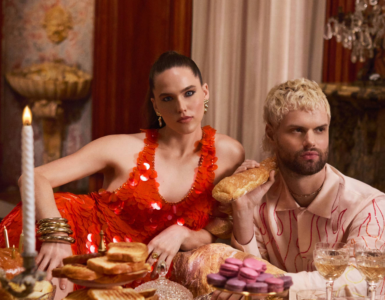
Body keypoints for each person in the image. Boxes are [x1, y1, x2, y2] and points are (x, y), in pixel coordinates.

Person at [0, 51, 244, 298]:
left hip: (137, 273)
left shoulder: (229, 154)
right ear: (156, 105)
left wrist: (181, 232)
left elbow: (216, 230)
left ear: (205, 92)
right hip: (73, 243)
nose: (181, 107)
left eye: (189, 93)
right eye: (168, 98)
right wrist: (56, 237)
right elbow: (34, 177)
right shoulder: (124, 148)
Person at [212, 78, 385, 300]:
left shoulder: (369, 205)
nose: (311, 141)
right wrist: (243, 213)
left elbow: (360, 282)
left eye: (320, 129)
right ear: (271, 134)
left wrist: (277, 285)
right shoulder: (258, 202)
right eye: (297, 130)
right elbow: (250, 283)